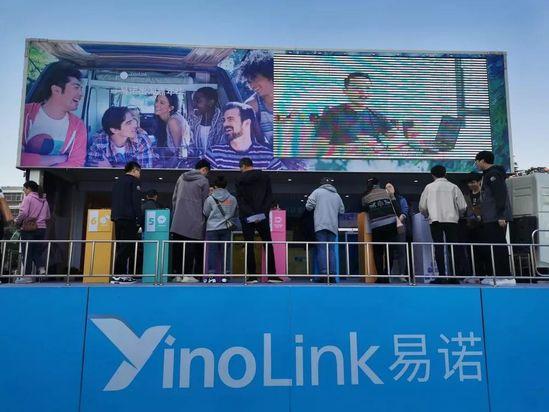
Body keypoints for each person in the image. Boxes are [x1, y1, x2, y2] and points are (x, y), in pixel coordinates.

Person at [21, 62, 86, 167]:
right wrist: (57, 159)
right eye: (76, 87)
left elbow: (77, 163)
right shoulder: (25, 113)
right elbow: (14, 156)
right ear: (56, 90)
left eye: (81, 89)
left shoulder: (78, 126)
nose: (81, 94)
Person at [315, 72, 399, 147]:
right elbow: (319, 147)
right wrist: (354, 147)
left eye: (367, 88)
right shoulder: (332, 114)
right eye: (357, 88)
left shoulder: (377, 116)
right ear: (345, 91)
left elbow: (396, 138)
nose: (363, 92)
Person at [236, 157, 282, 283]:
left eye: (240, 168)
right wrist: (261, 214)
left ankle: (252, 276)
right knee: (268, 244)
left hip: (246, 216)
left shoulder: (239, 179)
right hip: (262, 216)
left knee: (249, 245)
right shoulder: (264, 176)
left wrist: (251, 214)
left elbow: (241, 200)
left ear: (243, 166)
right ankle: (272, 275)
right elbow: (269, 197)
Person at [419, 165, 467, 284]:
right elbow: (462, 206)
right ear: (445, 174)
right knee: (453, 247)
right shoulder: (453, 187)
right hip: (452, 221)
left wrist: (427, 214)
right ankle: (455, 276)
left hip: (435, 220)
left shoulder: (429, 187)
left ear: (432, 175)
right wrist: (459, 214)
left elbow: (422, 206)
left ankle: (441, 276)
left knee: (439, 248)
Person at [475, 150, 514, 283]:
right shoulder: (487, 174)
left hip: (496, 217)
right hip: (490, 217)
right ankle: (496, 275)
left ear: (482, 160)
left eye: (476, 161)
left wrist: (501, 215)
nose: (476, 164)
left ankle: (505, 276)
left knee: (498, 246)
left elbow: (500, 195)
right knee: (492, 246)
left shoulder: (494, 174)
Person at [206, 102, 282, 170]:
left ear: (247, 123)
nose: (225, 124)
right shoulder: (214, 154)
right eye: (224, 120)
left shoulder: (268, 158)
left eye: (230, 119)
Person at [170, 159, 211, 282]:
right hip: (194, 220)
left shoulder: (181, 177)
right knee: (190, 248)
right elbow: (205, 203)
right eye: (207, 172)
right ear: (204, 169)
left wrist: (177, 213)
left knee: (178, 248)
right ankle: (188, 275)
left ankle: (178, 275)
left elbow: (174, 198)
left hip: (178, 220)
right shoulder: (203, 181)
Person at [362, 177, 401, 283]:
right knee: (389, 251)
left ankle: (380, 276)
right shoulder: (387, 192)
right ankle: (387, 275)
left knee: (378, 252)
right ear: (379, 184)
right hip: (391, 226)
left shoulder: (365, 197)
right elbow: (397, 209)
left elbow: (364, 210)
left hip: (377, 227)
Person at [306, 178, 345, 283]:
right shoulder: (337, 195)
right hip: (333, 226)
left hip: (320, 225)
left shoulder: (317, 192)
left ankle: (323, 274)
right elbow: (342, 210)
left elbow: (308, 206)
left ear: (321, 184)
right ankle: (332, 275)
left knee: (322, 249)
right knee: (331, 250)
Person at [86, 107, 153, 168]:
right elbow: (93, 172)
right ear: (114, 130)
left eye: (133, 120)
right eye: (128, 123)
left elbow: (145, 173)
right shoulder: (98, 141)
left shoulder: (141, 140)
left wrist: (111, 168)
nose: (135, 125)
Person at [110, 161, 143, 284]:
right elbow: (136, 201)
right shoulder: (134, 181)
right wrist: (139, 219)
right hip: (129, 218)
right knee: (127, 247)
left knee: (121, 246)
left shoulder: (118, 181)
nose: (139, 174)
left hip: (117, 218)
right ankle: (118, 275)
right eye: (139, 171)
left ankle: (121, 274)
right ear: (134, 170)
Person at [203, 175, 238, 283]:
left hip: (212, 229)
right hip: (226, 228)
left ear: (215, 186)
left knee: (212, 252)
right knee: (225, 252)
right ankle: (225, 275)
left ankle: (211, 275)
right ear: (226, 185)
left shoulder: (210, 199)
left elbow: (205, 212)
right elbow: (234, 212)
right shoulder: (232, 198)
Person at [14, 181, 50, 283]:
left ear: (29, 188)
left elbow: (23, 213)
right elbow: (48, 216)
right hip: (42, 229)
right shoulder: (44, 200)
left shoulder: (28, 198)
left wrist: (17, 221)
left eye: (24, 189)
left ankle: (27, 276)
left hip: (28, 229)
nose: (24, 191)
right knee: (36, 251)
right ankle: (42, 270)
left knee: (27, 252)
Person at [238, 50, 274, 146]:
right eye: (249, 82)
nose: (252, 86)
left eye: (255, 79)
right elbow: (254, 143)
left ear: (270, 76)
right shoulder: (251, 106)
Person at [153, 92, 192, 167]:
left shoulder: (173, 122)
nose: (156, 104)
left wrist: (164, 166)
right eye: (157, 101)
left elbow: (180, 152)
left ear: (171, 108)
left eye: (162, 103)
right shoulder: (166, 120)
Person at [188, 87, 225, 157]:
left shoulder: (223, 121)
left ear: (211, 102)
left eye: (198, 101)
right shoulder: (193, 119)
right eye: (193, 101)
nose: (194, 105)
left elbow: (223, 147)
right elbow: (190, 143)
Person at [385, 182, 409, 280]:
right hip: (389, 228)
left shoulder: (401, 199)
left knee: (401, 250)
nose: (388, 189)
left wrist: (398, 220)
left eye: (389, 186)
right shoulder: (384, 200)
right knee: (388, 251)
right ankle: (388, 274)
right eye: (386, 187)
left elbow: (404, 212)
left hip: (399, 228)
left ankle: (402, 274)